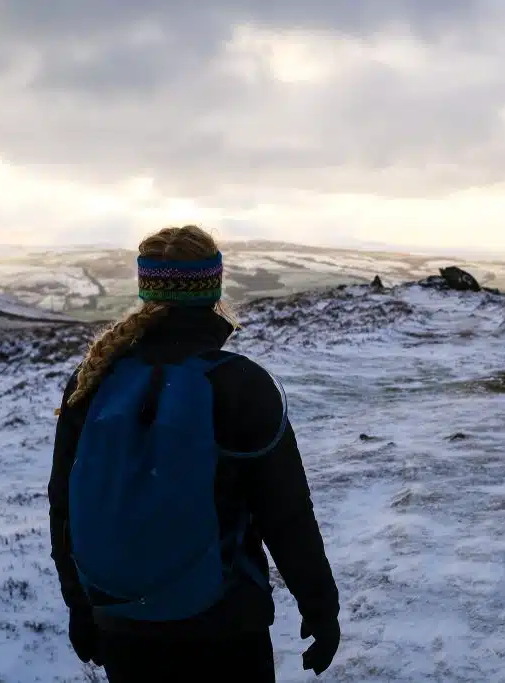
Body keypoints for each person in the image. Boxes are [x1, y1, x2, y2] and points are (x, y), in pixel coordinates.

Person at [47, 225, 341, 682]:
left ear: (147, 288)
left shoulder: (93, 380)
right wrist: (320, 609)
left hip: (122, 622)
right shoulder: (241, 384)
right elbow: (286, 516)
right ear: (213, 288)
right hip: (225, 626)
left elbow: (64, 505)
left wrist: (81, 608)